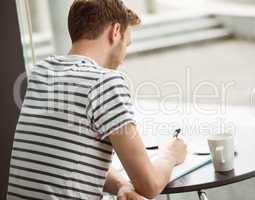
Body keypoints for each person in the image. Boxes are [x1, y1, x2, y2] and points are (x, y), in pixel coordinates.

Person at [7, 0, 187, 199]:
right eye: (126, 45)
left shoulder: (42, 72)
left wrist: (121, 185)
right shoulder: (105, 82)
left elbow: (69, 161)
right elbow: (149, 185)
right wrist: (169, 154)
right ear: (115, 31)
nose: (123, 57)